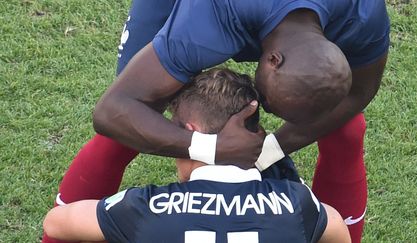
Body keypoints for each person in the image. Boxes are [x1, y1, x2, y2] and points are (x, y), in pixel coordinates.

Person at [43, 1, 390, 242]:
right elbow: (112, 110)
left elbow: (357, 94)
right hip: (211, 12)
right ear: (272, 59)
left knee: (346, 128)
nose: (265, 116)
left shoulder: (362, 13)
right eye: (268, 104)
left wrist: (271, 148)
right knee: (129, 127)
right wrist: (210, 147)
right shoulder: (204, 20)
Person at [43, 68, 350, 243]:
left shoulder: (143, 208)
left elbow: (56, 223)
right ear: (255, 132)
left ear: (188, 132)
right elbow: (337, 229)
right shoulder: (298, 203)